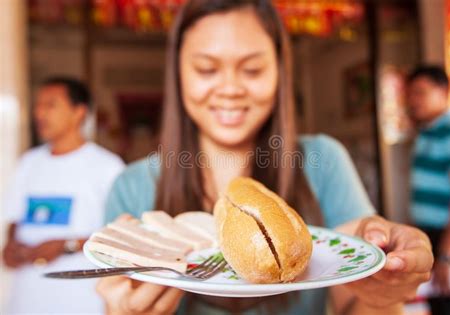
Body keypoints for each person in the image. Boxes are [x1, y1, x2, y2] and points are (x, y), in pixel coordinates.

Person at [97, 1, 433, 314]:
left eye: (253, 70)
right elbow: (115, 295)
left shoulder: (323, 160)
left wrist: (381, 286)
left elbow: (354, 294)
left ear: (279, 71)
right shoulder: (132, 187)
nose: (230, 88)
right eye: (206, 69)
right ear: (178, 74)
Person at [2, 77, 125, 314]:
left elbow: (122, 233)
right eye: (38, 105)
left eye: (51, 105)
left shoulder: (107, 166)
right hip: (27, 295)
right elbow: (15, 218)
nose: (39, 113)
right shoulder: (29, 162)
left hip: (80, 299)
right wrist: (10, 243)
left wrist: (66, 245)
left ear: (79, 112)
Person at [406, 65, 450, 315]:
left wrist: (447, 256)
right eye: (411, 93)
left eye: (421, 92)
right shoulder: (426, 132)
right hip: (430, 237)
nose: (413, 100)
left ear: (443, 91)